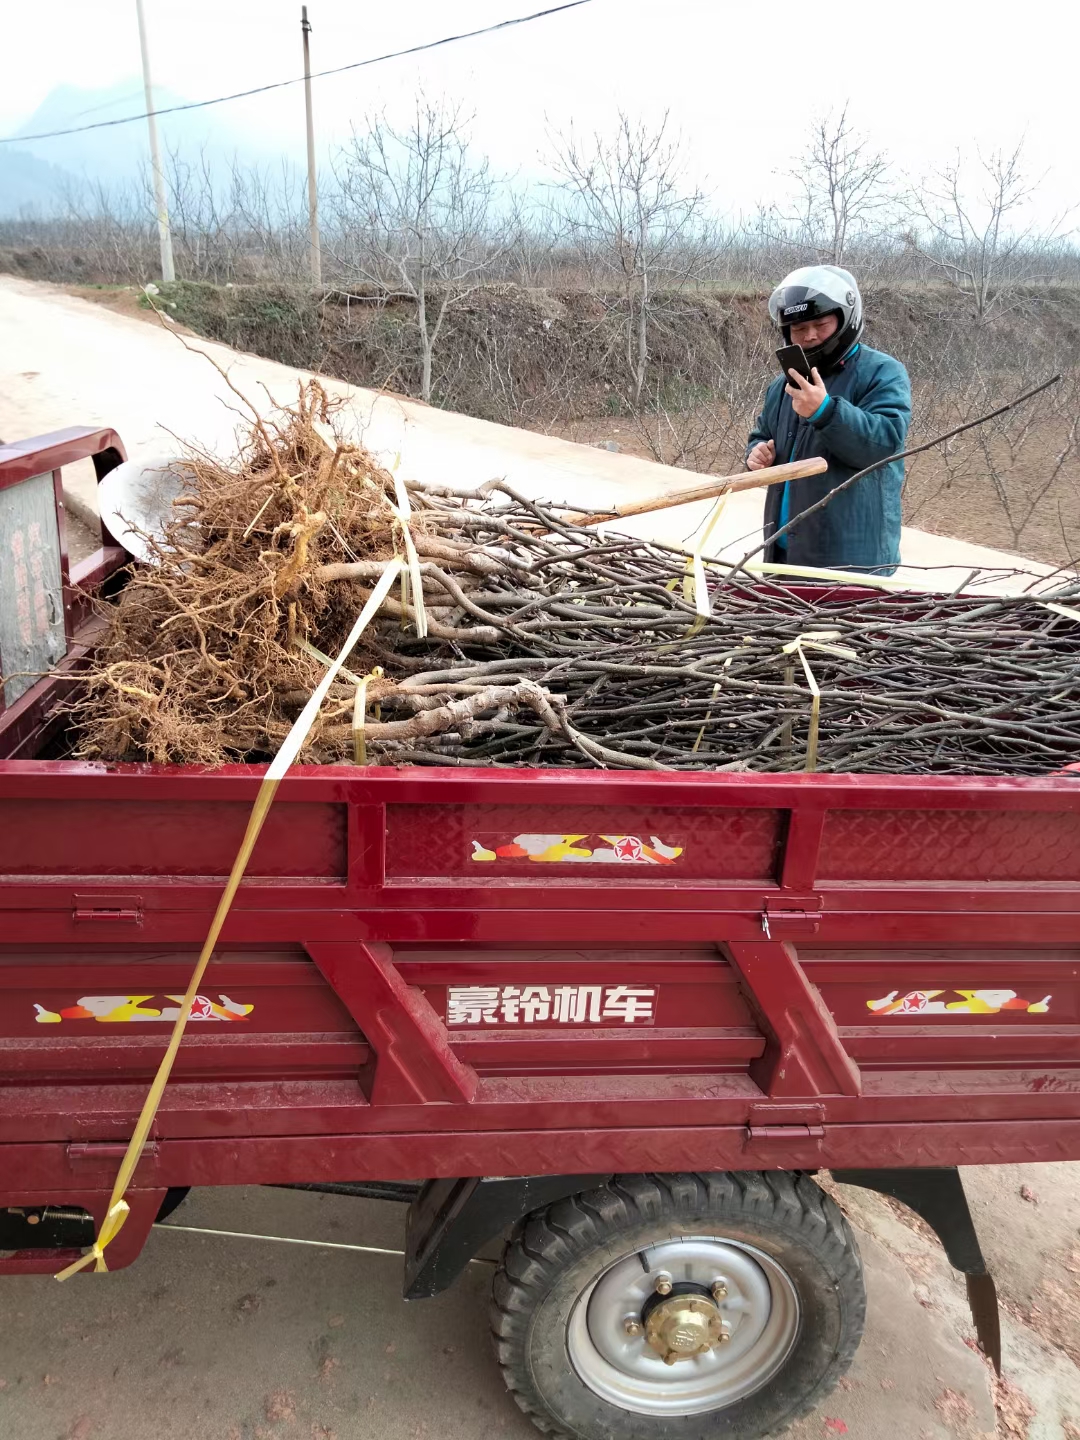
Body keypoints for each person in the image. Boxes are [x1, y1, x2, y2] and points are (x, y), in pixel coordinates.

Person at [746, 265, 911, 574]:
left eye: (821, 324)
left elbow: (886, 441)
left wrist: (825, 411)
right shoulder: (782, 386)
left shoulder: (882, 373)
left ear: (845, 319)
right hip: (784, 551)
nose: (809, 336)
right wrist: (756, 454)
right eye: (798, 329)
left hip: (852, 562)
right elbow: (761, 434)